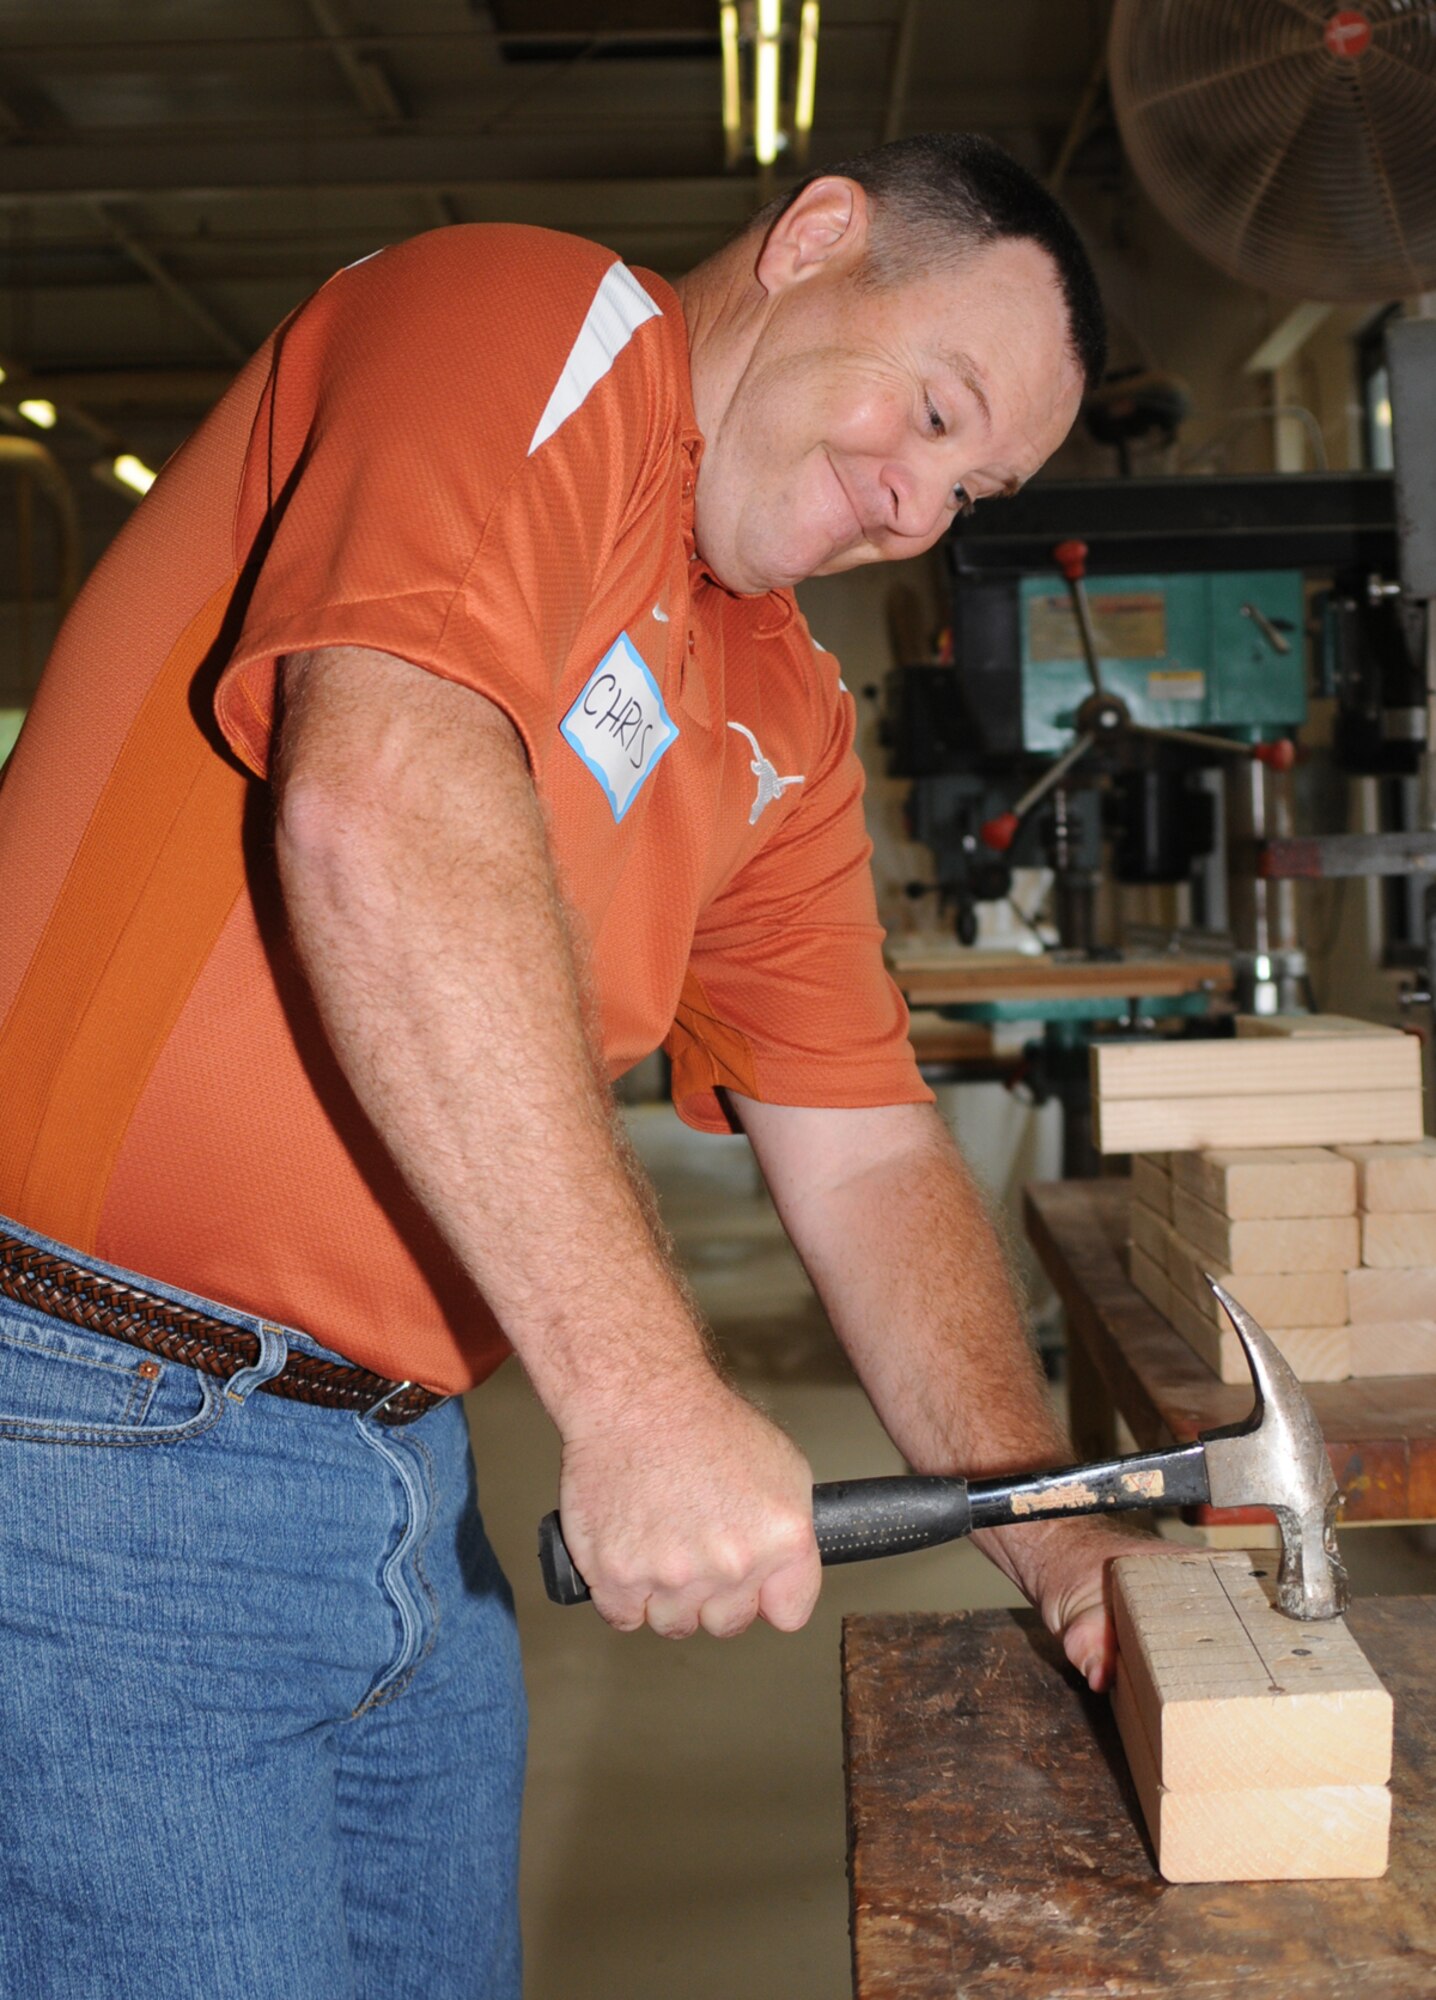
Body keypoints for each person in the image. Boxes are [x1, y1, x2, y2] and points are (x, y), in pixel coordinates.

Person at [0, 133, 1148, 1998]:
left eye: (972, 484)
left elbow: (864, 1147)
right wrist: (642, 1394)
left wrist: (1063, 1536)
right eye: (934, 410)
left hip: (401, 1485)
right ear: (817, 240)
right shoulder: (534, 322)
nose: (916, 501)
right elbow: (378, 798)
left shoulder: (782, 706)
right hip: (80, 1436)